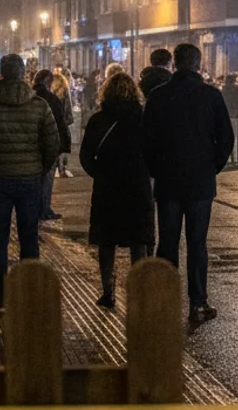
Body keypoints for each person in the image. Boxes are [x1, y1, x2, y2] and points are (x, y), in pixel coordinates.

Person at [141, 44, 233, 323]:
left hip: (168, 181)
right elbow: (226, 139)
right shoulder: (211, 96)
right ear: (198, 63)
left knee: (167, 242)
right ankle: (198, 302)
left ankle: (164, 301)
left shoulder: (158, 96)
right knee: (197, 244)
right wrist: (211, 167)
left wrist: (156, 169)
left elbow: (146, 140)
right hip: (199, 182)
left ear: (175, 64)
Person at [0, 53, 61, 312]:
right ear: (23, 74)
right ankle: (30, 291)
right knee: (29, 235)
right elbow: (53, 143)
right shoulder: (39, 105)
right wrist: (40, 168)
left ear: (1, 73)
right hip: (29, 179)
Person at [80, 72, 155, 310]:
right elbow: (155, 150)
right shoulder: (144, 119)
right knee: (138, 240)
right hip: (137, 185)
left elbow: (85, 155)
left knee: (107, 240)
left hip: (107, 186)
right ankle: (140, 290)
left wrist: (100, 173)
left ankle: (107, 292)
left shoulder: (98, 120)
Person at [32, 70, 71, 221]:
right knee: (46, 181)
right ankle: (44, 210)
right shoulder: (52, 99)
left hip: (31, 145)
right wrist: (64, 146)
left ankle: (34, 208)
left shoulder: (28, 97)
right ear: (49, 82)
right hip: (48, 145)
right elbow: (60, 125)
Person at [51, 71, 75, 178]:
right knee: (63, 145)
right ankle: (62, 168)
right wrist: (68, 121)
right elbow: (68, 109)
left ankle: (53, 168)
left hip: (50, 123)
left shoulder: (48, 93)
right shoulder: (64, 92)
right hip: (62, 124)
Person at [222, 73, 238, 166]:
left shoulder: (223, 88)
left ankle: (227, 159)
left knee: (227, 137)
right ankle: (235, 160)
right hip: (236, 115)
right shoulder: (237, 88)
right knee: (235, 138)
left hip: (226, 115)